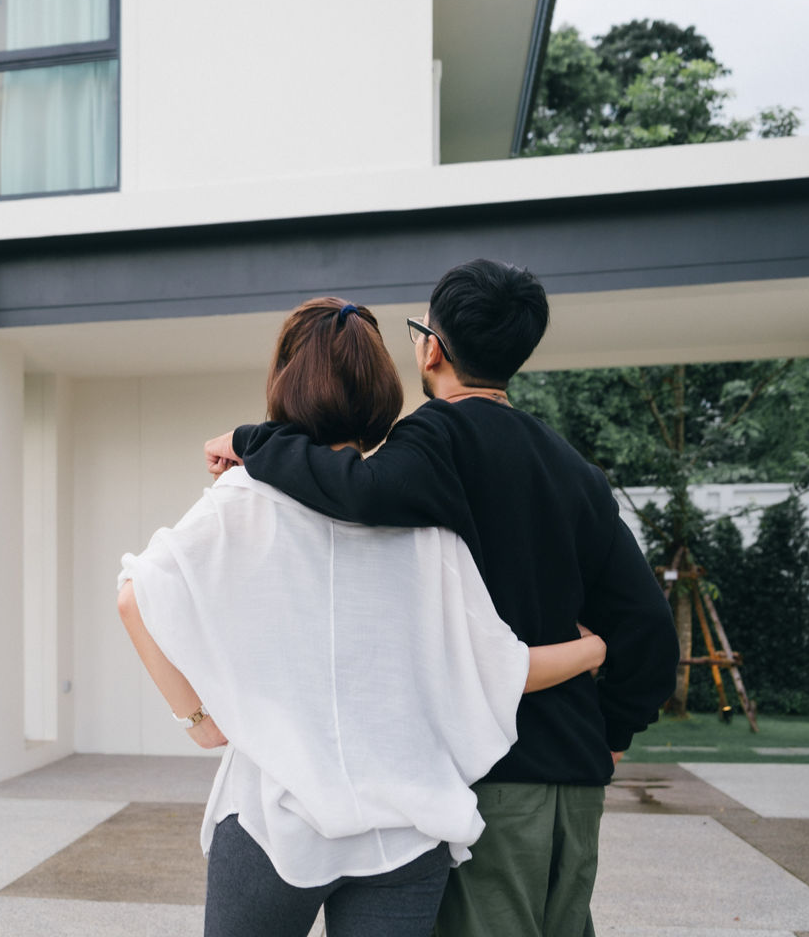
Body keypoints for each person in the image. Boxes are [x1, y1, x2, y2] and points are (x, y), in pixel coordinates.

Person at [204, 261, 680, 937]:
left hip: (490, 769)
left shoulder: (436, 439)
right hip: (574, 780)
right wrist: (613, 737)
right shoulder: (575, 471)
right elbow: (650, 628)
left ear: (432, 346)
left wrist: (251, 442)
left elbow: (353, 490)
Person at [118, 297, 612, 937]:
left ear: (285, 383)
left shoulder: (240, 501)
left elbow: (135, 596)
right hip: (404, 830)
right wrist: (596, 649)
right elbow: (502, 669)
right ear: (382, 393)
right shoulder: (422, 523)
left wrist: (197, 722)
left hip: (276, 815)